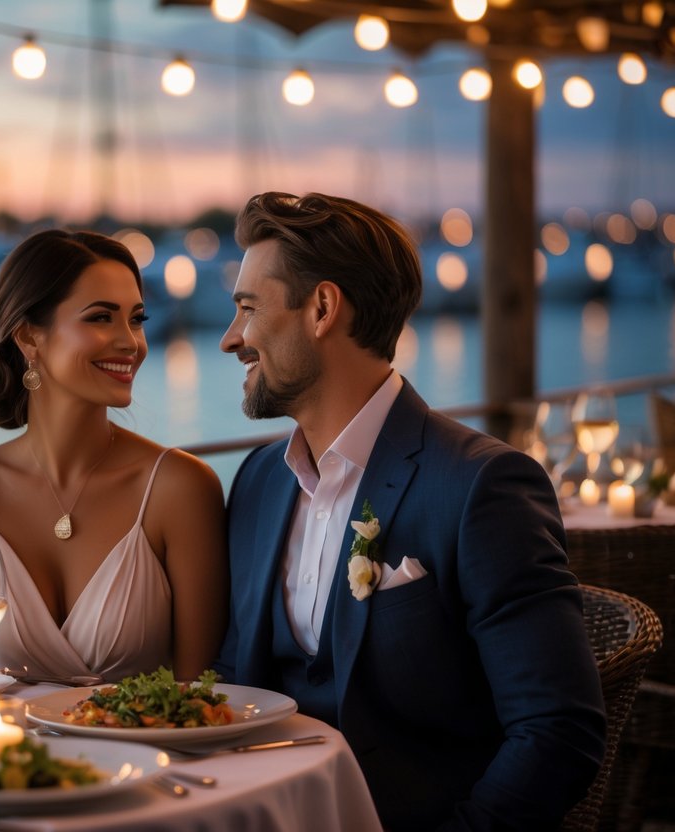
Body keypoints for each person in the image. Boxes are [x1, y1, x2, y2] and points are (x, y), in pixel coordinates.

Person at [214, 191, 606, 830]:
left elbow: (558, 731)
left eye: (249, 309)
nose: (233, 338)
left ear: (321, 309)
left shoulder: (482, 485)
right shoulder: (259, 481)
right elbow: (233, 679)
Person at [0, 228, 228, 683]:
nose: (131, 342)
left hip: (151, 753)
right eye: (101, 318)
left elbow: (202, 694)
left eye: (136, 319)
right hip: (2, 756)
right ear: (29, 338)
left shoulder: (179, 488)